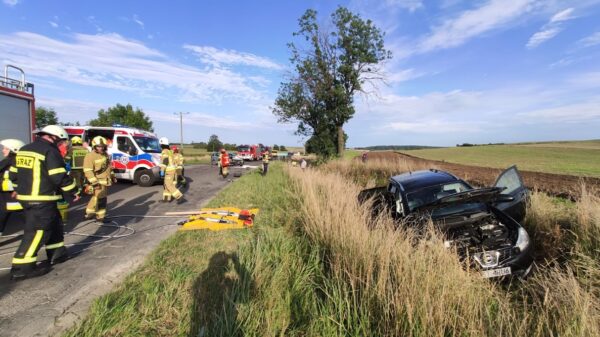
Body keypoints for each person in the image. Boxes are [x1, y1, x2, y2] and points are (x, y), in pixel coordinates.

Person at [9, 125, 79, 280]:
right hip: (41, 200)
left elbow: (13, 175)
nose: (61, 144)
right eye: (61, 141)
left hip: (30, 199)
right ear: (54, 137)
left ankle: (57, 253)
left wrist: (21, 190)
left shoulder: (25, 149)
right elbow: (59, 176)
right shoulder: (50, 151)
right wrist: (73, 191)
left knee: (55, 224)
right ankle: (22, 267)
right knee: (37, 232)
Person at [83, 136, 116, 222]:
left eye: (102, 146)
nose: (101, 148)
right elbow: (88, 171)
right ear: (94, 146)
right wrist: (94, 183)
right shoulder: (90, 156)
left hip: (105, 181)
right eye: (98, 146)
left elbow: (109, 167)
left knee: (97, 198)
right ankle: (100, 217)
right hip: (97, 182)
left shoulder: (105, 155)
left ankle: (89, 213)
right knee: (101, 199)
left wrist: (113, 176)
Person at [0, 139, 25, 236]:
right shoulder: (19, 162)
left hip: (9, 196)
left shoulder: (8, 162)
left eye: (5, 149)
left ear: (13, 149)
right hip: (14, 196)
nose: (3, 151)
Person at [159, 137, 185, 203]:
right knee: (166, 184)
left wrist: (162, 171)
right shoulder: (170, 151)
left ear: (162, 144)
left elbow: (165, 161)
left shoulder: (164, 151)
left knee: (169, 185)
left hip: (168, 170)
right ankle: (166, 198)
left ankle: (179, 196)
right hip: (172, 170)